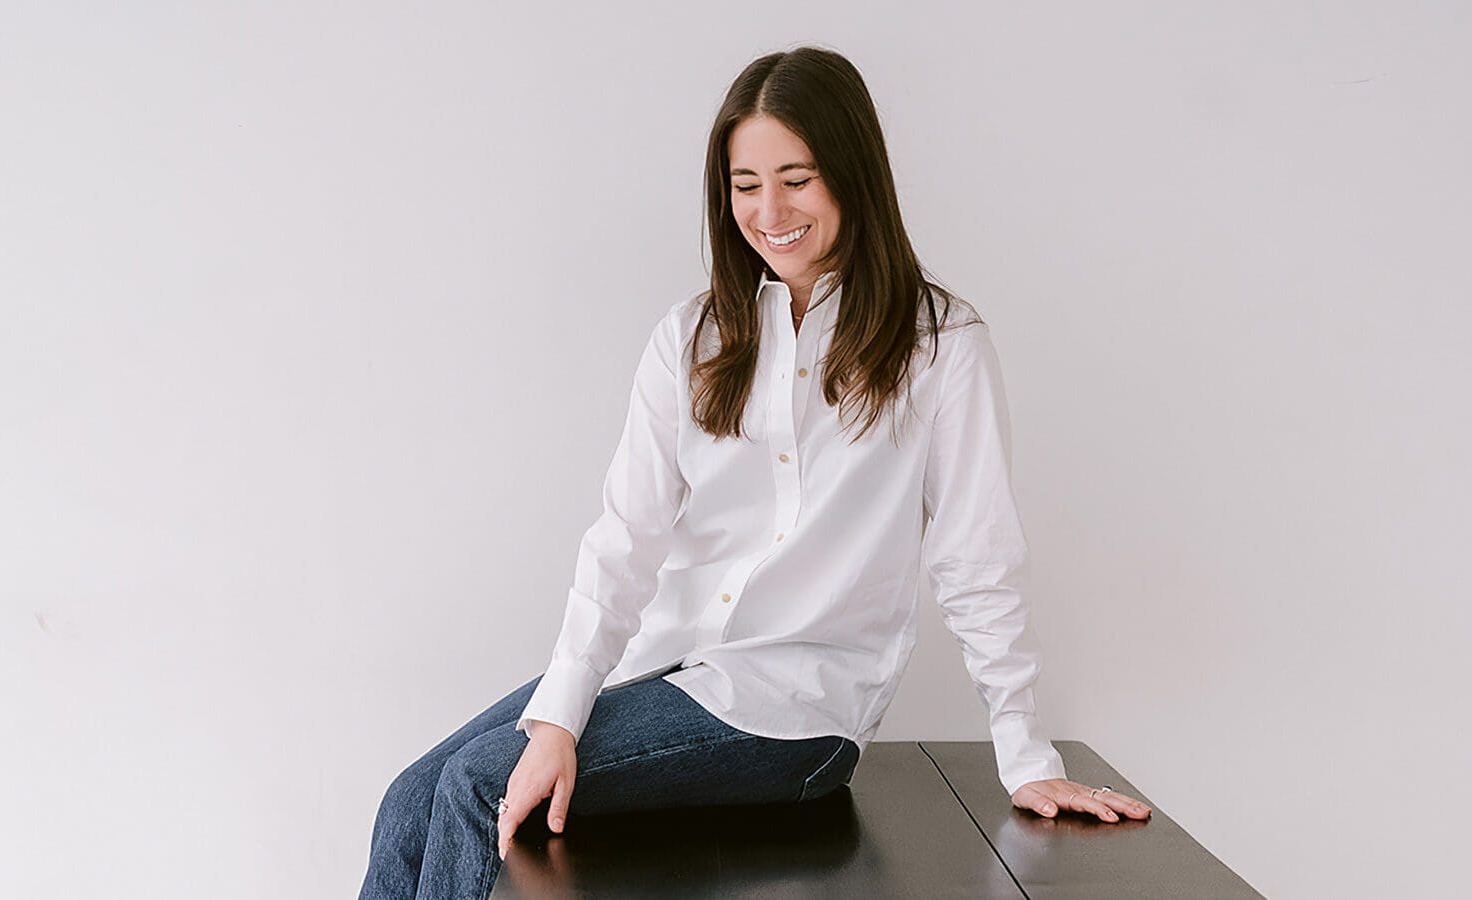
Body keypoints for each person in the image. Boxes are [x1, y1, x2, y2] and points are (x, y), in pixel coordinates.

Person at [358, 44, 1151, 900]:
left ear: (853, 175)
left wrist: (1025, 754)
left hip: (799, 710)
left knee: (480, 789)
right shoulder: (692, 338)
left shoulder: (940, 346)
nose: (769, 209)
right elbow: (625, 540)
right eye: (744, 185)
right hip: (668, 663)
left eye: (797, 179)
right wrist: (558, 713)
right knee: (410, 802)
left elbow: (976, 558)